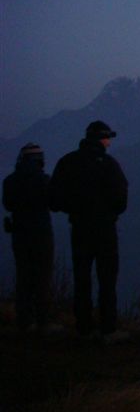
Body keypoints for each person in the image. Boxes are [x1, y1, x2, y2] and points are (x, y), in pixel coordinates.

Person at [49, 120, 128, 343]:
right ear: (102, 139)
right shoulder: (109, 165)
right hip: (105, 230)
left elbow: (54, 199)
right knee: (107, 279)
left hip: (79, 228)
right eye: (108, 138)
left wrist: (74, 208)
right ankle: (108, 329)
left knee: (82, 278)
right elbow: (121, 200)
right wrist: (106, 212)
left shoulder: (68, 162)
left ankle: (83, 328)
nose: (109, 142)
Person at [2, 143, 61, 335]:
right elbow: (54, 204)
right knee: (43, 277)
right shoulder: (44, 180)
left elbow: (8, 205)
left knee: (23, 276)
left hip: (19, 233)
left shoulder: (10, 181)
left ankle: (24, 321)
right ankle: (43, 321)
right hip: (41, 233)